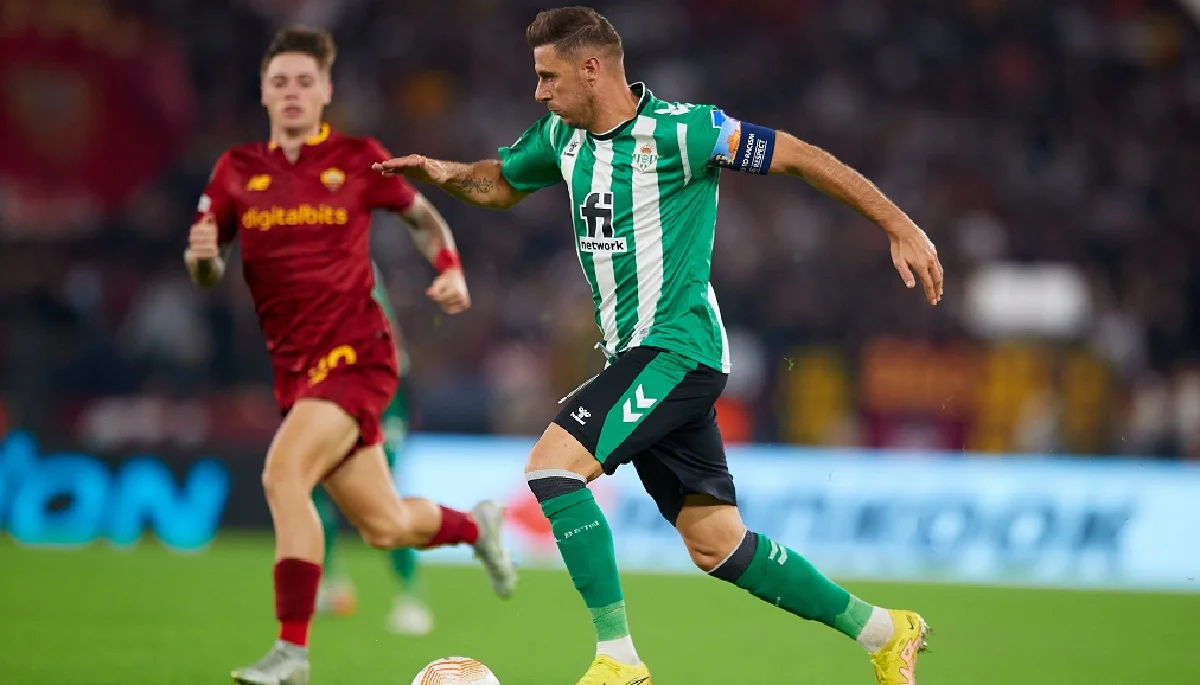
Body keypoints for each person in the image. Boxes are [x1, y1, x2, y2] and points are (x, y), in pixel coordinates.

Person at [374, 6, 943, 685]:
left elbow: (798, 156)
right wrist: (442, 173)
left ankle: (618, 659)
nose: (539, 92)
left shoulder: (685, 131)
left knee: (553, 468)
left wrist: (900, 225)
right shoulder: (561, 137)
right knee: (717, 543)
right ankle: (884, 630)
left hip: (679, 348)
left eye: (548, 77)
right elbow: (500, 182)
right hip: (638, 357)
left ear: (592, 68)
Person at [184, 27, 516, 685]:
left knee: (283, 475)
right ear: (264, 92)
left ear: (326, 91)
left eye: (304, 81)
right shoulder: (235, 171)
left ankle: (291, 652)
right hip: (295, 370)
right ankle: (476, 526)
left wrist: (450, 268)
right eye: (280, 82)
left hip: (358, 355)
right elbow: (207, 269)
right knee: (385, 525)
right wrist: (201, 262)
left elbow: (423, 217)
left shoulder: (357, 158)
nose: (292, 92)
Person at [313, 262, 434, 636]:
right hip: (340, 398)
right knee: (315, 486)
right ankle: (330, 584)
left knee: (381, 500)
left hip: (383, 401)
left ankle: (411, 598)